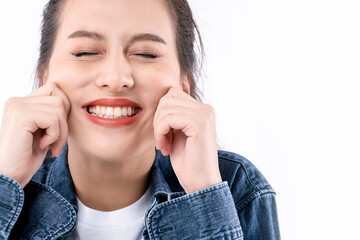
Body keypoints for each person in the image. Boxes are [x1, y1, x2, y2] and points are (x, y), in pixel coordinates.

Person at [0, 0, 280, 239]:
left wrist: (204, 196)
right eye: (85, 52)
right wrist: (4, 181)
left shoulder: (233, 186)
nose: (115, 78)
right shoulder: (11, 181)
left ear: (183, 86)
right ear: (44, 78)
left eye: (147, 54)